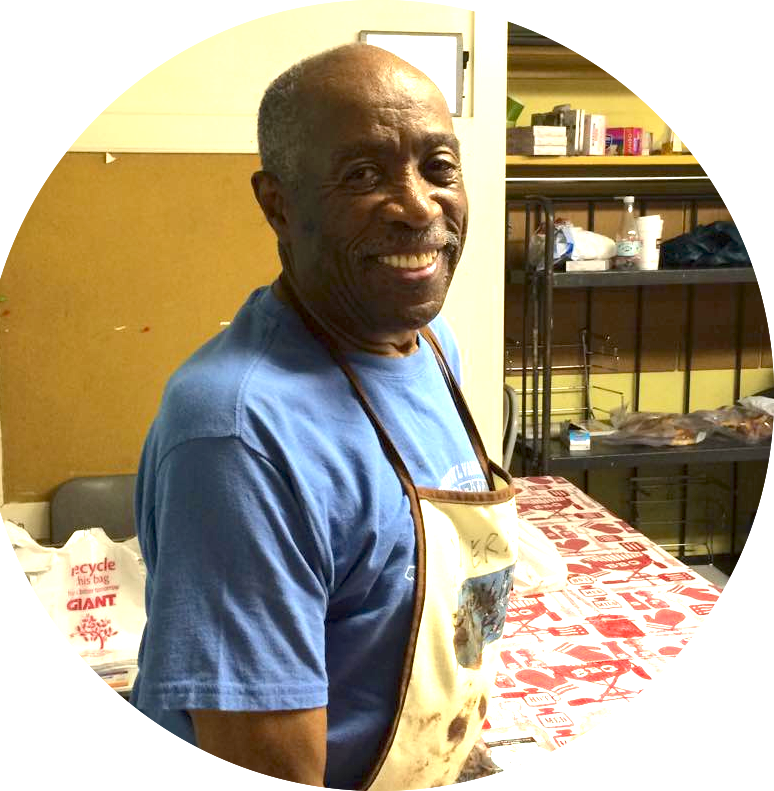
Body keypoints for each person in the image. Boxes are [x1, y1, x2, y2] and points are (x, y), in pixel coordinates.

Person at [130, 42, 518, 789]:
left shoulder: (434, 345)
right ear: (278, 204)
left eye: (438, 166)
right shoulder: (238, 434)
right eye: (364, 175)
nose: (418, 205)